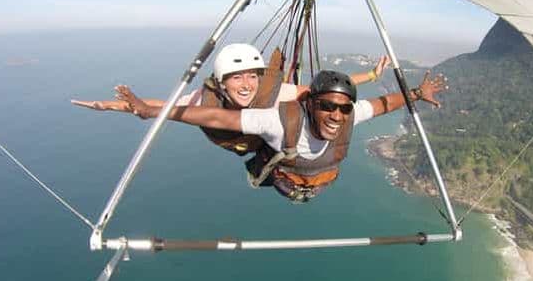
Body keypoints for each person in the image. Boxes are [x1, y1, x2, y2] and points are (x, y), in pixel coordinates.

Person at [115, 69, 447, 202]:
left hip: (317, 181)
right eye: (328, 106)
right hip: (285, 180)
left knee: (355, 117)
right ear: (312, 103)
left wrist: (417, 92)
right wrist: (150, 110)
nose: (336, 115)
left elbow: (385, 103)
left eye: (343, 109)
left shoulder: (349, 116)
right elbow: (217, 115)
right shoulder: (277, 121)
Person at [72, 43, 390, 156]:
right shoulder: (203, 99)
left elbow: (320, 91)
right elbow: (157, 106)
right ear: (222, 84)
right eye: (237, 78)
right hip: (235, 139)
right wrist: (110, 106)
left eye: (252, 76)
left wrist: (371, 77)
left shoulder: (273, 91)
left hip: (264, 139)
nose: (247, 84)